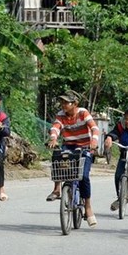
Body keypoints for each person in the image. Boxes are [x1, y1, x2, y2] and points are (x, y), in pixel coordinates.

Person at [46, 90, 100, 227]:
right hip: (69, 145)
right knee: (58, 158)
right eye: (62, 102)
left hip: (85, 147)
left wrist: (93, 142)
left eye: (66, 102)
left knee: (84, 177)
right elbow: (56, 127)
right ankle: (57, 189)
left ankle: (88, 207)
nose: (63, 105)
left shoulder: (83, 113)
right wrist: (53, 138)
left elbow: (94, 128)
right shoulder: (61, 115)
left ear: (75, 103)